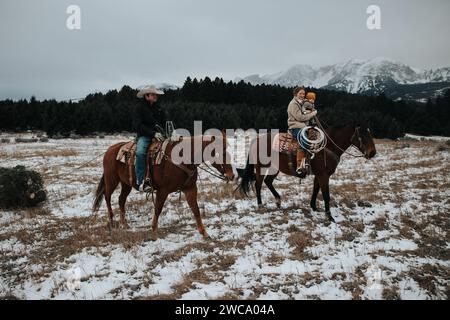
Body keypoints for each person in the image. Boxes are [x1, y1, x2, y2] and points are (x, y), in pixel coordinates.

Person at [133, 85, 166, 192]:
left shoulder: (159, 108)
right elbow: (138, 126)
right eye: (153, 94)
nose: (155, 96)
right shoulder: (139, 108)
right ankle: (141, 180)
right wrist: (153, 134)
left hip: (161, 135)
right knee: (141, 152)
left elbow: (166, 121)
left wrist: (171, 131)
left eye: (155, 94)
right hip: (144, 136)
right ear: (146, 96)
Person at [287, 86, 317, 177]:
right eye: (300, 93)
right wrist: (313, 114)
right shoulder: (293, 104)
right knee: (302, 140)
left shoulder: (300, 103)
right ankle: (299, 166)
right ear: (295, 94)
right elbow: (299, 117)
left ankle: (310, 158)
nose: (302, 95)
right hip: (295, 126)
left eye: (303, 94)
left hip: (302, 126)